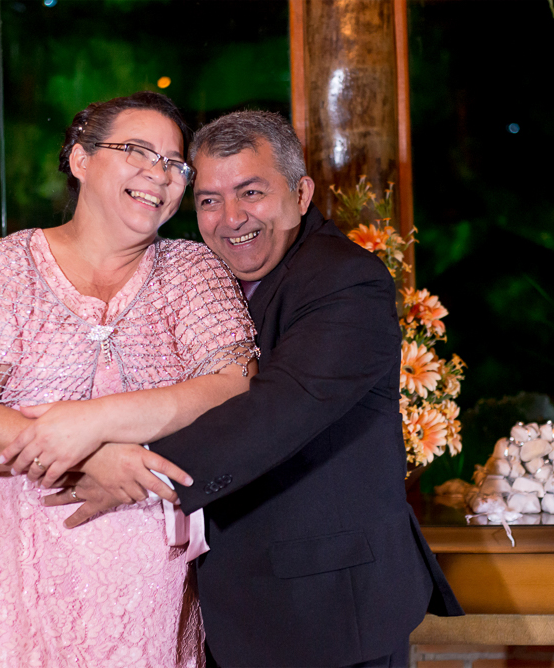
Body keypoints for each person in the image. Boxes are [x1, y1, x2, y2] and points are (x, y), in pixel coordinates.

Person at [47, 111, 465, 668]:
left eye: (251, 192)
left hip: (327, 610)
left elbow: (281, 407)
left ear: (300, 192)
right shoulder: (204, 285)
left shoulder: (346, 279)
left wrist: (134, 470)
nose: (231, 218)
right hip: (232, 607)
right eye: (210, 200)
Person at [0, 92, 259, 667]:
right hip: (11, 570)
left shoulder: (192, 270)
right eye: (137, 151)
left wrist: (90, 424)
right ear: (79, 159)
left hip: (147, 580)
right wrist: (93, 458)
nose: (160, 173)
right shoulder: (4, 267)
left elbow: (231, 389)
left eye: (175, 163)